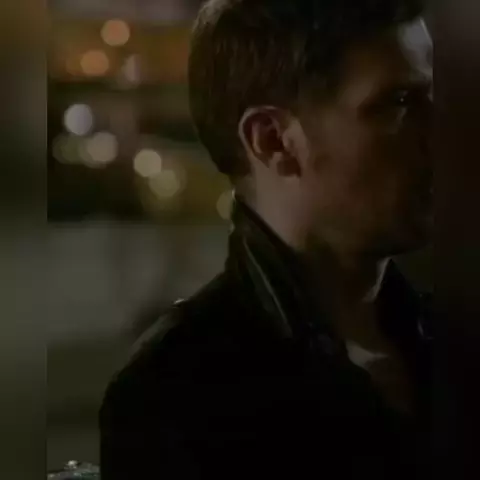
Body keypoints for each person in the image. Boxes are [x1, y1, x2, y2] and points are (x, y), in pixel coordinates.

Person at [100, 0, 433, 478]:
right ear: (273, 141)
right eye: (399, 103)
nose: (443, 130)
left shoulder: (450, 343)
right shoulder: (178, 396)